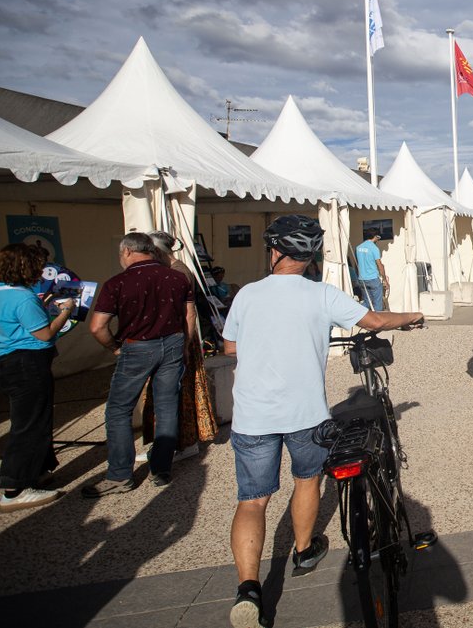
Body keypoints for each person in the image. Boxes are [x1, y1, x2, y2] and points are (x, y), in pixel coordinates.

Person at [223, 215, 424, 628]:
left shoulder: (247, 295)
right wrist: (412, 316)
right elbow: (373, 321)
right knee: (307, 480)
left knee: (252, 499)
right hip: (304, 414)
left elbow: (230, 347)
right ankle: (302, 550)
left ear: (274, 251)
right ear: (311, 255)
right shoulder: (322, 295)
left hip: (252, 414)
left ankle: (248, 588)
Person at [84, 232, 194, 497]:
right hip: (173, 343)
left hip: (137, 345)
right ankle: (161, 469)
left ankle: (121, 475)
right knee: (167, 406)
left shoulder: (117, 283)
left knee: (119, 409)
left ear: (127, 252)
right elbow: (189, 314)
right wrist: (186, 346)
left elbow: (98, 326)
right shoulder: (177, 277)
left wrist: (114, 348)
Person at [0, 244, 74, 512]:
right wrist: (67, 310)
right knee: (29, 424)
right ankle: (13, 487)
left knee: (32, 419)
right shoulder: (22, 298)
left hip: (7, 361)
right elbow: (43, 334)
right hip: (27, 363)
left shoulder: (5, 293)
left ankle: (37, 470)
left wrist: (40, 307)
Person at [139, 231, 216, 465]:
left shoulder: (178, 271)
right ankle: (172, 443)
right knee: (172, 392)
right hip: (177, 337)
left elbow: (186, 312)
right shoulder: (171, 270)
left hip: (180, 338)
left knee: (179, 392)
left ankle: (184, 443)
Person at [354, 228, 387, 310]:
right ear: (376, 236)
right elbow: (380, 265)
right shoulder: (374, 248)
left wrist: (358, 276)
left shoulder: (358, 247)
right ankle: (378, 321)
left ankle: (357, 314)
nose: (378, 239)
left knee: (366, 302)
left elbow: (356, 264)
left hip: (362, 279)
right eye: (378, 237)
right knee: (377, 304)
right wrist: (385, 280)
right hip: (373, 279)